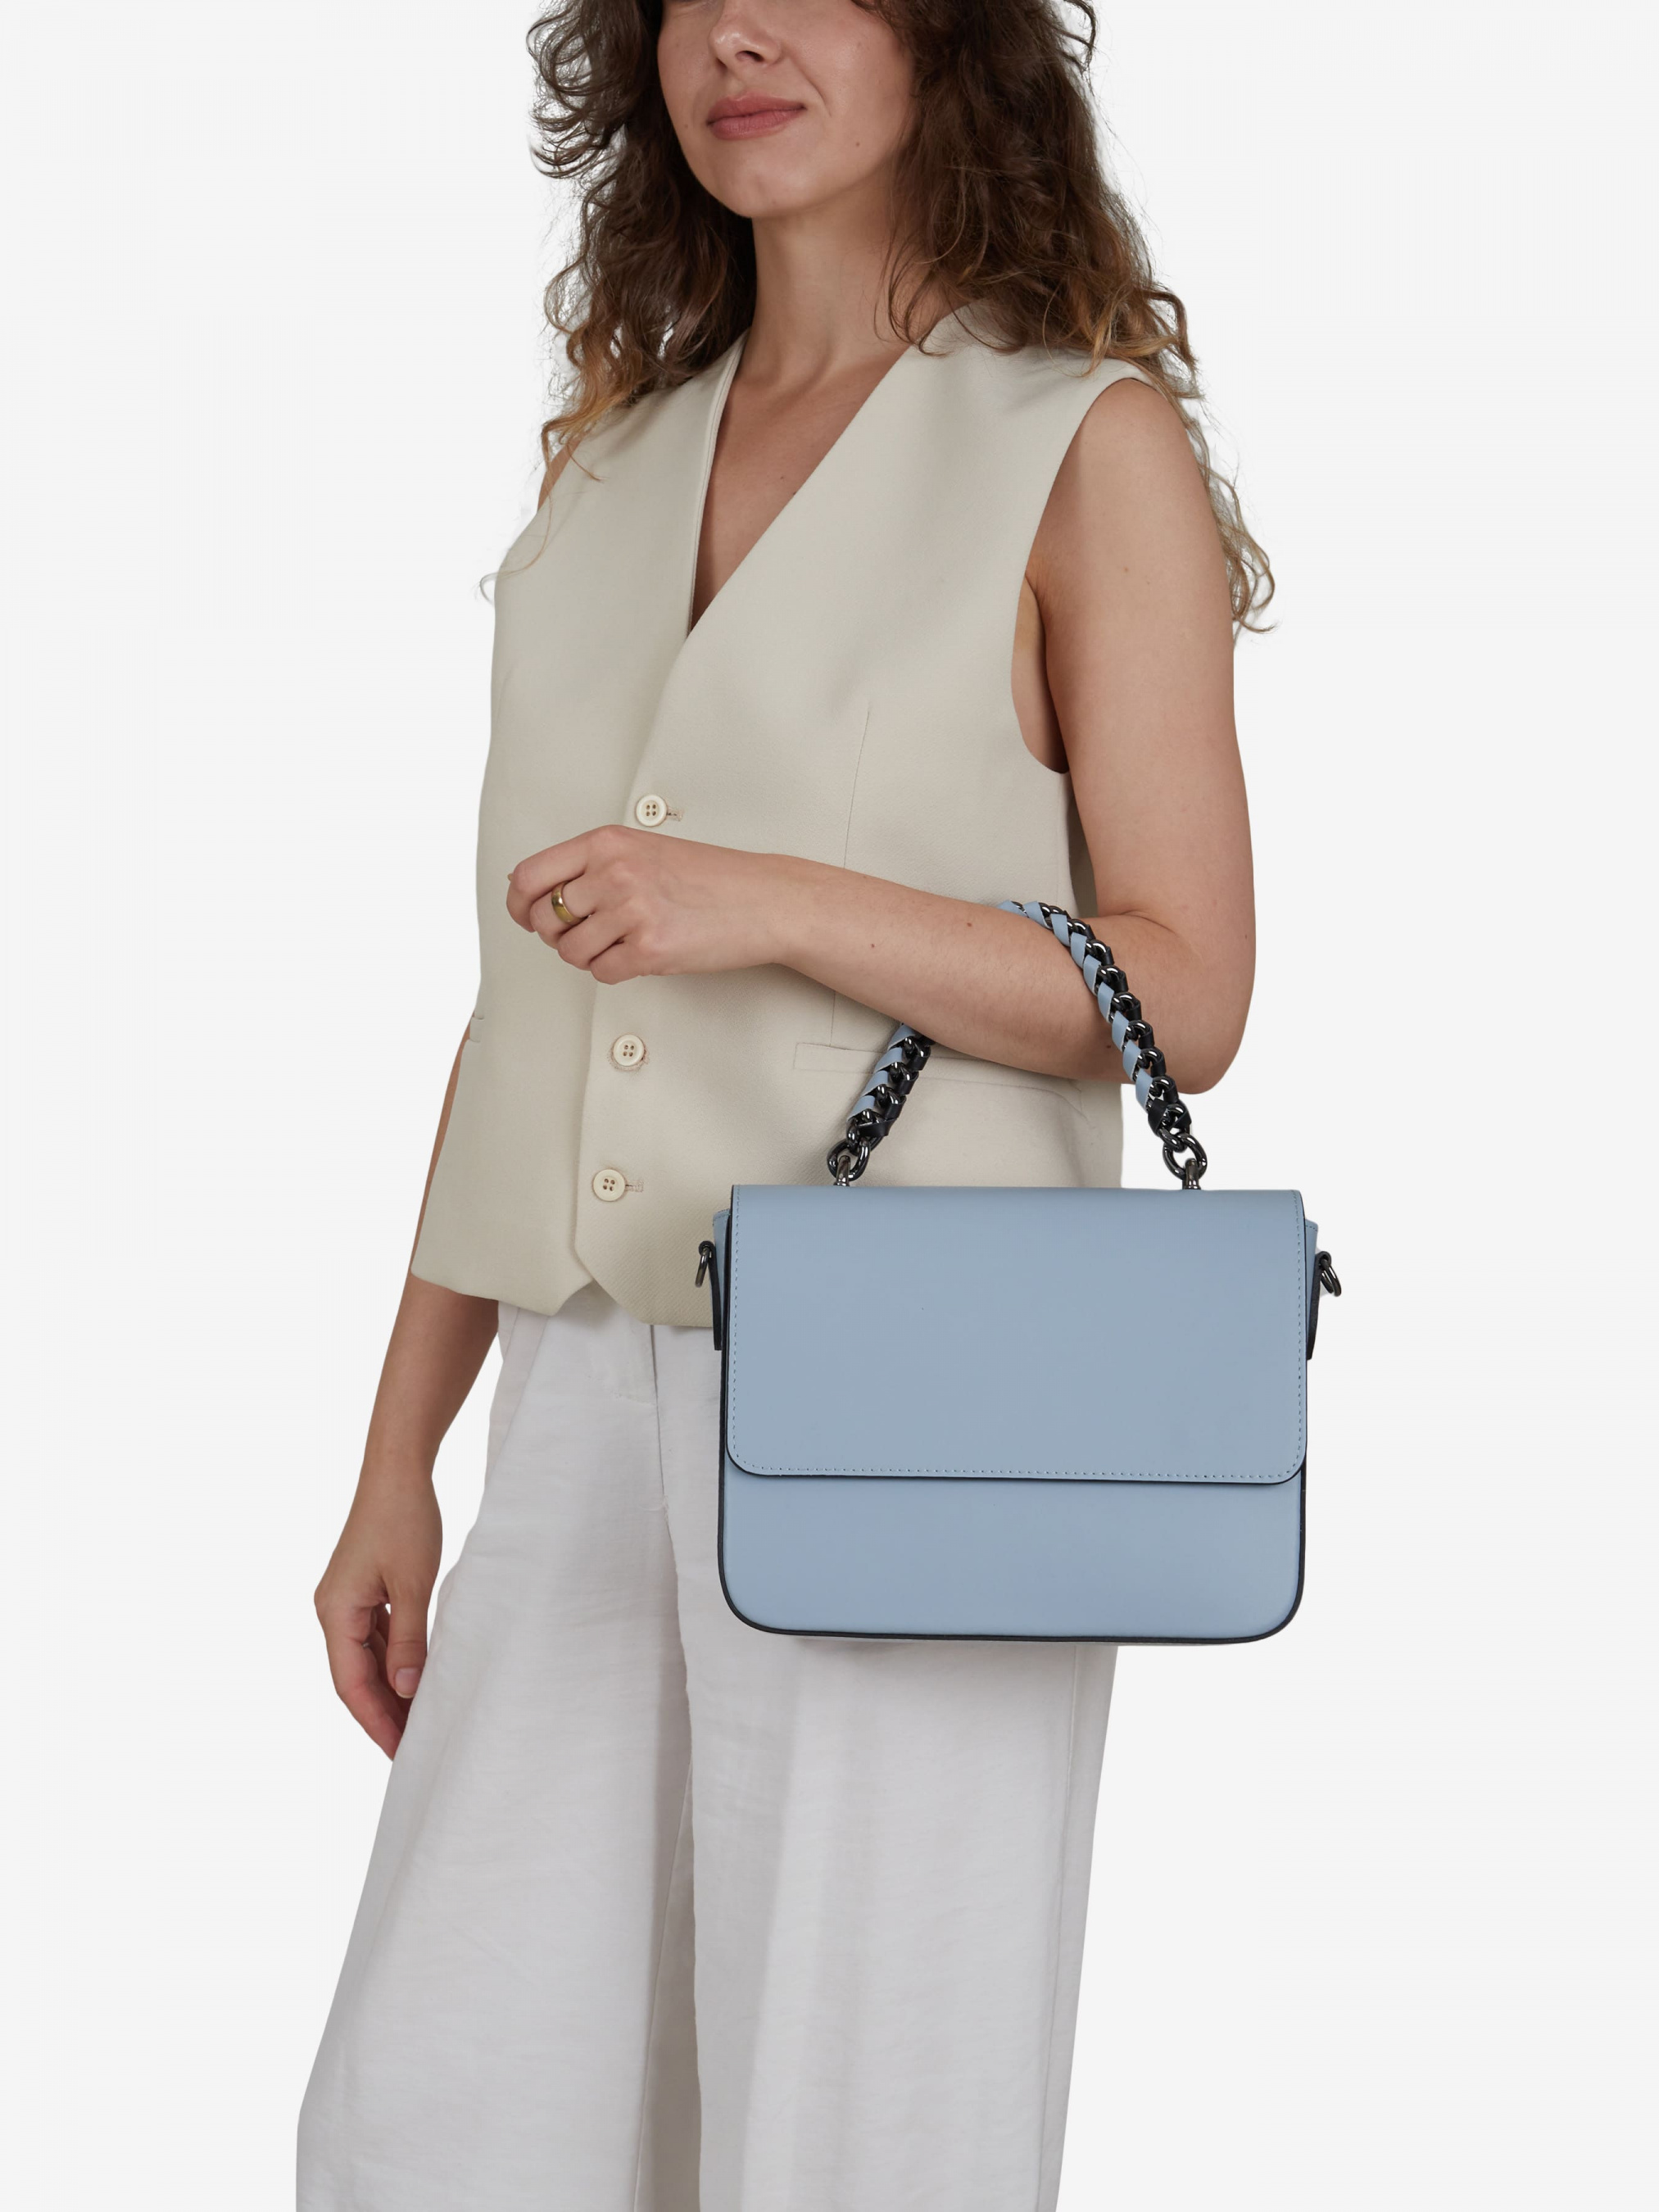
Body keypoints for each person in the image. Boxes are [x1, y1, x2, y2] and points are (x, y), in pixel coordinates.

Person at [298, 2, 1266, 2205]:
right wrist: (395, 1457)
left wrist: (768, 903)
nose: (734, 32)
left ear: (948, 38)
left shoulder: (1077, 443)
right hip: (579, 1373)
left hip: (924, 1400)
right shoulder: (610, 469)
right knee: (445, 2117)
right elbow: (526, 1008)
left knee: (858, 2127)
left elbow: (1186, 991)